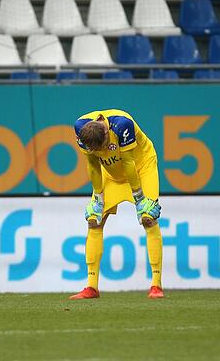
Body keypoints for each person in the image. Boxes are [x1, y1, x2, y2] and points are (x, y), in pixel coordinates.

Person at [70, 109, 164, 299]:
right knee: (94, 221)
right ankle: (91, 287)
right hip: (111, 175)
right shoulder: (81, 128)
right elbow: (93, 165)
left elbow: (129, 163)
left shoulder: (122, 124)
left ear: (106, 133)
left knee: (148, 218)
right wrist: (98, 197)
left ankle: (156, 285)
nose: (102, 152)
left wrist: (139, 198)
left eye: (104, 147)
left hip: (141, 168)